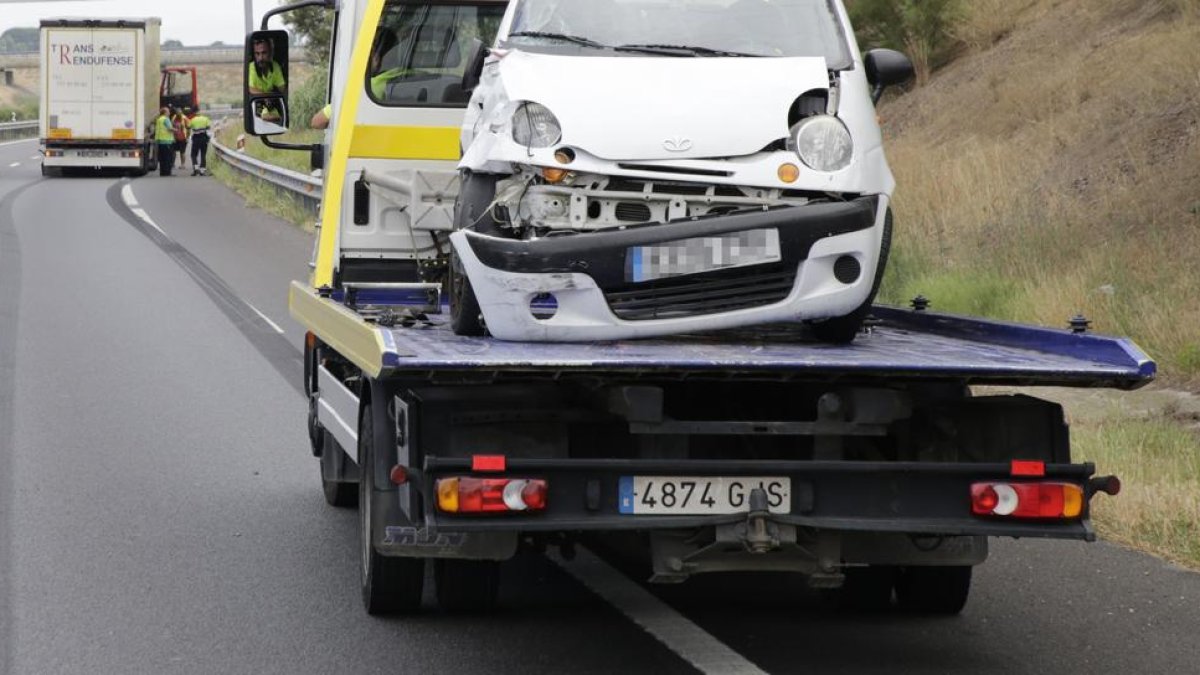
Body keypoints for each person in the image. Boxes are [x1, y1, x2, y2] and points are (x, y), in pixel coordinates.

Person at [248, 36, 286, 122]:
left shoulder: (275, 67)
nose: (260, 58)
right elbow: (251, 89)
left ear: (270, 53)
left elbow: (282, 88)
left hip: (271, 104)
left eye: (264, 53)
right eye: (257, 54)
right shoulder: (251, 68)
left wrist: (272, 96)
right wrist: (266, 97)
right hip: (257, 104)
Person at [188, 107, 212, 176]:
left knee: (193, 155)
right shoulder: (206, 118)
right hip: (204, 138)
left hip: (196, 138)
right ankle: (202, 171)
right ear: (200, 111)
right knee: (203, 154)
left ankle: (196, 169)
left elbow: (188, 127)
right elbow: (208, 127)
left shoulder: (192, 120)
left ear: (194, 113)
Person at [154, 107, 176, 176]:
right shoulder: (166, 119)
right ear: (165, 112)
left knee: (162, 158)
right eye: (168, 111)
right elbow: (169, 128)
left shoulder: (159, 119)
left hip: (160, 141)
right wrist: (176, 130)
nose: (169, 112)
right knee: (168, 158)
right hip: (167, 141)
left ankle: (163, 172)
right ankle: (167, 172)